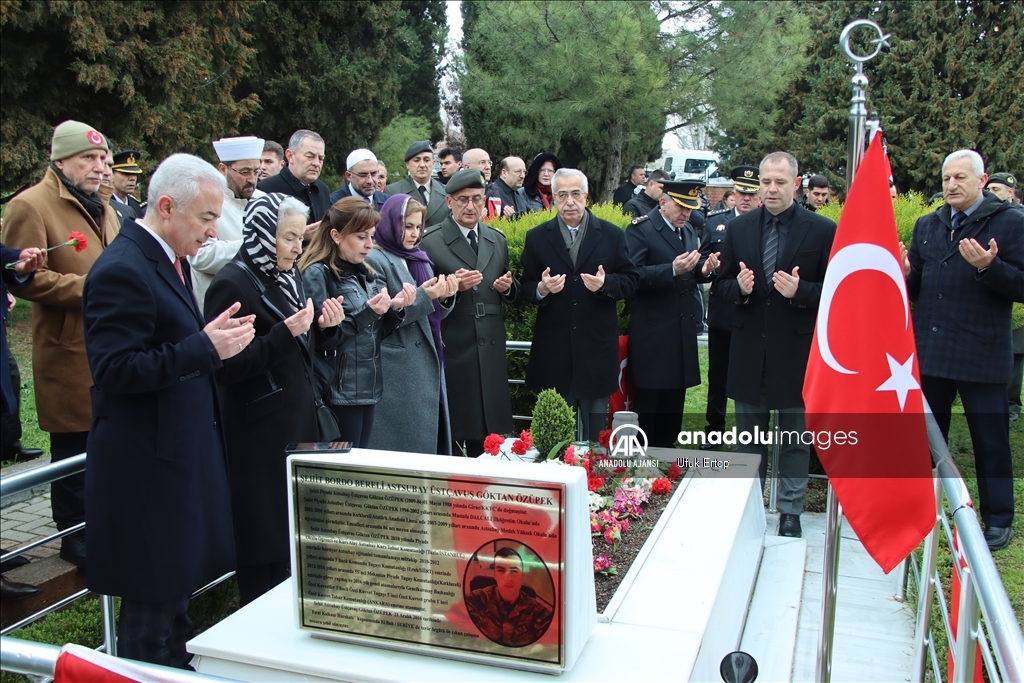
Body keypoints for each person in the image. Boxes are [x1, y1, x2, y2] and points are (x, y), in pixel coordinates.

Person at [82, 153, 254, 667]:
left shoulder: (166, 259)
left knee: (177, 615)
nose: (211, 232)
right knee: (150, 628)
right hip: (146, 474)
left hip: (175, 464)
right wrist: (205, 349)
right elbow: (114, 370)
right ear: (164, 206)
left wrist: (211, 345)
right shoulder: (122, 268)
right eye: (205, 218)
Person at [3, 120, 122, 570]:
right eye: (87, 159)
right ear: (60, 161)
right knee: (73, 447)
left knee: (106, 442)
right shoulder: (29, 206)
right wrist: (93, 288)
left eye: (101, 158)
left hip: (109, 343)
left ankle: (105, 524)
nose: (99, 166)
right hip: (68, 347)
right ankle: (74, 535)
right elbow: (24, 276)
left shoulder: (104, 206)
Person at [205, 193, 326, 605]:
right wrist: (283, 335)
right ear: (261, 234)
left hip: (293, 423)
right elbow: (226, 369)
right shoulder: (231, 283)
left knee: (292, 536)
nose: (297, 247)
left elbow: (297, 347)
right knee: (265, 539)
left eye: (298, 237)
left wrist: (319, 327)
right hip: (258, 436)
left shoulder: (284, 276)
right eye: (288, 237)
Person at [902, 149, 1024, 551]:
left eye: (959, 178)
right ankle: (919, 509)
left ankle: (999, 519)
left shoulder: (1010, 223)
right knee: (922, 442)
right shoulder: (927, 224)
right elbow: (917, 288)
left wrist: (990, 267)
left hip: (980, 352)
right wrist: (904, 274)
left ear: (982, 180)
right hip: (932, 351)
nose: (951, 185)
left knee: (990, 442)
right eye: (945, 178)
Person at [716, 152, 836, 538]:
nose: (770, 189)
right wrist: (741, 288)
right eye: (765, 182)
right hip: (750, 347)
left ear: (796, 184)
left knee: (794, 437)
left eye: (779, 182)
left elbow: (838, 292)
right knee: (749, 436)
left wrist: (802, 291)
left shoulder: (821, 230)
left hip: (797, 352)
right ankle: (748, 506)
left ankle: (790, 510)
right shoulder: (740, 229)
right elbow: (720, 287)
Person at [520, 168, 639, 442]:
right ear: (553, 197)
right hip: (554, 352)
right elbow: (525, 287)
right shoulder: (537, 237)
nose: (569, 201)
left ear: (586, 196)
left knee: (596, 435)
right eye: (562, 195)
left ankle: (595, 480)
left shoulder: (612, 235)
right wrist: (541, 288)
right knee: (557, 438)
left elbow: (631, 280)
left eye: (575, 194)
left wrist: (605, 284)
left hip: (596, 349)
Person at [419, 169, 520, 456]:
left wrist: (508, 287)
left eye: (477, 199)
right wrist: (452, 289)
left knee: (489, 432)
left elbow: (508, 284)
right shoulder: (431, 241)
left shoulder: (495, 238)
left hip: (489, 340)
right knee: (454, 425)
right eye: (462, 200)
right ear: (449, 202)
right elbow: (423, 297)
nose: (470, 206)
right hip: (455, 341)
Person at [300, 197, 414, 447]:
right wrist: (368, 313)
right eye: (361, 236)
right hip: (337, 390)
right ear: (336, 235)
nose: (369, 245)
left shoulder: (364, 271)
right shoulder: (317, 272)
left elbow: (371, 333)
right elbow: (320, 339)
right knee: (341, 473)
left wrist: (393, 308)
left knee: (357, 465)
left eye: (371, 236)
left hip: (368, 387)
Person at [626, 180, 719, 447]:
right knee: (649, 408)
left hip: (681, 333)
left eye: (690, 208)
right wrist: (669, 270)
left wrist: (705, 270)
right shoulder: (641, 230)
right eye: (681, 207)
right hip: (654, 335)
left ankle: (667, 461)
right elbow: (631, 276)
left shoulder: (688, 230)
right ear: (663, 202)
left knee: (673, 405)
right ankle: (643, 465)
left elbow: (691, 270)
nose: (686, 214)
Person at [365, 195, 459, 455]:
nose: (414, 233)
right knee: (404, 448)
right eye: (407, 226)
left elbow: (432, 317)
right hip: (400, 369)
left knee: (430, 444)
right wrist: (425, 296)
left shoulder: (420, 258)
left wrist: (446, 296)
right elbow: (381, 317)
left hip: (427, 360)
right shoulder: (375, 259)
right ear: (390, 223)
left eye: (418, 227)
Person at [700, 165, 761, 449]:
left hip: (754, 313)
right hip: (724, 312)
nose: (745, 198)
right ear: (732, 194)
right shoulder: (715, 223)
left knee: (751, 375)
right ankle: (715, 432)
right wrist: (707, 268)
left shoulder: (766, 224)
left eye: (751, 193)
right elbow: (702, 263)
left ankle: (749, 435)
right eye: (741, 192)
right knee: (719, 375)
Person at [189, 135, 266, 312]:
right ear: (223, 169)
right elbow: (200, 257)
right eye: (245, 172)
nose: (252, 180)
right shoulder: (206, 201)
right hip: (221, 305)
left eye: (257, 172)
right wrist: (254, 246)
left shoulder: (264, 200)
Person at [464, 548, 554, 648]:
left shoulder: (537, 612)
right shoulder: (478, 599)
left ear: (522, 576)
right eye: (501, 570)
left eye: (514, 571)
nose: (508, 577)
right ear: (495, 575)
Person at [257, 129, 331, 225]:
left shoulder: (323, 190)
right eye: (309, 156)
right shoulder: (265, 190)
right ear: (290, 156)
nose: (316, 163)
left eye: (321, 159)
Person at [387, 140, 449, 227]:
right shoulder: (392, 192)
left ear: (433, 163)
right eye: (416, 160)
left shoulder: (446, 192)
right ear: (407, 164)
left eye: (426, 160)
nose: (422, 165)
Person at [110, 150, 145, 218]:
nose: (132, 178)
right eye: (126, 173)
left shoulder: (135, 205)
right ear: (112, 175)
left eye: (134, 174)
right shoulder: (103, 204)